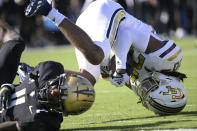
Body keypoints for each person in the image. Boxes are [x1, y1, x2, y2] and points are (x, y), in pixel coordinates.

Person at [0, 21, 95, 131]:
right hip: (2, 85)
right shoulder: (48, 72)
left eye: (58, 97)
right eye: (59, 88)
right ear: (61, 79)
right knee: (15, 43)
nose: (53, 91)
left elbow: (12, 127)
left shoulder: (45, 121)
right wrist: (7, 86)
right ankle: (27, 74)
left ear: (63, 108)